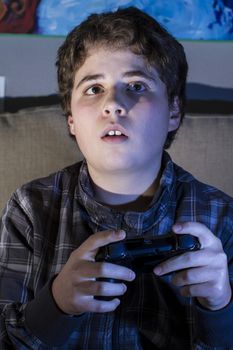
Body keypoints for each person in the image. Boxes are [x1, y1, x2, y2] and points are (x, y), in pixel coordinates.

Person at [0, 6, 233, 350]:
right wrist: (57, 303)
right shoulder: (30, 207)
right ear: (71, 121)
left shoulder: (222, 217)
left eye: (136, 85)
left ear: (173, 112)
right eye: (94, 89)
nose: (113, 104)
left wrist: (220, 306)